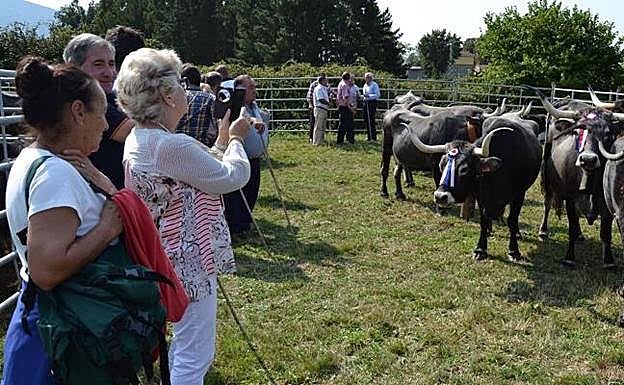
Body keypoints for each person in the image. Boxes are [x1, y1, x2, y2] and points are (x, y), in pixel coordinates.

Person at [115, 47, 251, 384]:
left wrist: (220, 142)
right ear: (165, 95)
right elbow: (231, 178)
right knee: (195, 352)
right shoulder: (170, 146)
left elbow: (197, 173)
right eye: (177, 83)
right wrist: (235, 140)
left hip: (164, 253)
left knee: (182, 346)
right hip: (188, 259)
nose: (185, 90)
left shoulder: (141, 137)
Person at [2, 56, 122, 384]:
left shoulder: (35, 158)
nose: (106, 125)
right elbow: (47, 270)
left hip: (52, 325)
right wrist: (107, 228)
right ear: (78, 112)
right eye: (101, 113)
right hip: (59, 336)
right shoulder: (55, 174)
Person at [63, 32, 140, 190]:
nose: (109, 73)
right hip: (100, 200)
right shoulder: (84, 102)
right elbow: (138, 133)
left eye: (111, 64)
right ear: (73, 67)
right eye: (98, 64)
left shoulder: (108, 97)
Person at [223, 74, 269, 236]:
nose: (254, 90)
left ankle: (246, 222)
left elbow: (255, 116)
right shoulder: (236, 106)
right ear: (240, 89)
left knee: (252, 191)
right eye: (250, 87)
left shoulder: (253, 105)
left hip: (254, 158)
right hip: (241, 159)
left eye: (254, 86)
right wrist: (253, 121)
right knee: (239, 193)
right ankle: (236, 226)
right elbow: (243, 118)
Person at [176, 63, 218, 147]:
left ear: (184, 80)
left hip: (174, 148)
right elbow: (218, 127)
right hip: (200, 149)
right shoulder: (210, 99)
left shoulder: (174, 97)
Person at [336, 72, 354, 144]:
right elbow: (345, 97)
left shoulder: (341, 83)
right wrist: (350, 107)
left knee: (344, 124)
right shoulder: (345, 85)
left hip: (342, 106)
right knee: (347, 124)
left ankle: (343, 140)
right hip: (345, 106)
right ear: (348, 78)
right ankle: (345, 140)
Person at [312, 75, 330, 145]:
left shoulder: (324, 88)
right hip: (320, 108)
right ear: (322, 81)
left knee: (322, 126)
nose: (327, 82)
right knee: (318, 126)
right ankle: (316, 142)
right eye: (325, 80)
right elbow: (320, 99)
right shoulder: (319, 88)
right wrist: (328, 103)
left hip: (324, 109)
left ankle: (321, 140)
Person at [362, 72, 380, 141]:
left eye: (369, 77)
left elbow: (377, 94)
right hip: (365, 102)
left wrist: (369, 96)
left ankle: (373, 136)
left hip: (372, 103)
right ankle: (369, 136)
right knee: (366, 119)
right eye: (366, 77)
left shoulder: (374, 85)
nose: (367, 78)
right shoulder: (365, 85)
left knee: (371, 119)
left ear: (371, 78)